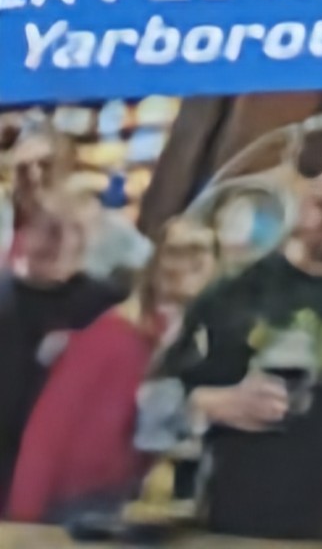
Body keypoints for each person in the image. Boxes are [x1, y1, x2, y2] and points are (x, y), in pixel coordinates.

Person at [173, 158, 322, 539]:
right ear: (304, 205)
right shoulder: (238, 291)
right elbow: (159, 390)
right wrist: (208, 402)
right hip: (228, 506)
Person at [6, 212, 215, 523]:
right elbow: (50, 428)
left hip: (137, 501)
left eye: (198, 256)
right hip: (78, 503)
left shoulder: (192, 340)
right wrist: (24, 517)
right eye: (176, 254)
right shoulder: (114, 333)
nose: (185, 266)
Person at [0, 194, 124, 488]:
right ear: (25, 233)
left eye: (74, 231)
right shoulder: (4, 296)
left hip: (66, 472)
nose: (60, 243)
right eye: (49, 229)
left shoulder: (107, 304)